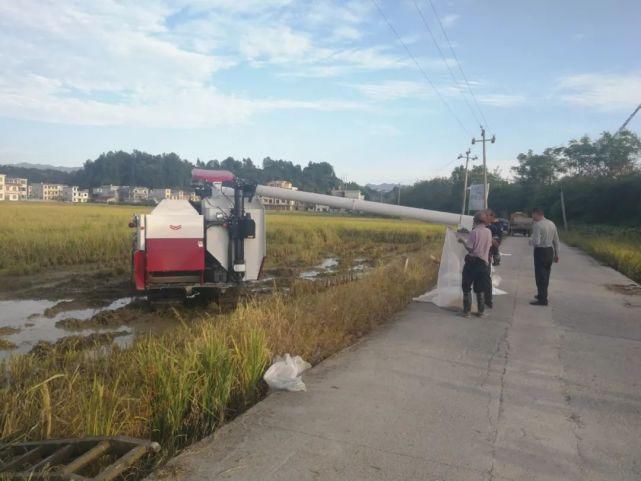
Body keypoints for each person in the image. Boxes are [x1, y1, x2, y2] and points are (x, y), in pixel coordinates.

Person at [458, 211, 493, 317]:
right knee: (480, 288)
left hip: (472, 262)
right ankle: (481, 312)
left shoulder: (474, 232)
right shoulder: (488, 231)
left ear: (475, 221)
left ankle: (466, 311)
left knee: (466, 286)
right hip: (484, 263)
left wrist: (462, 241)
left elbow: (470, 248)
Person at [529, 208, 560, 306]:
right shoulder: (551, 223)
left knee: (540, 276)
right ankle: (542, 294)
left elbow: (536, 242)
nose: (532, 217)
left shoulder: (537, 225)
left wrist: (530, 241)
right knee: (546, 274)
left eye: (532, 215)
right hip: (549, 251)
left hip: (540, 251)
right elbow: (556, 240)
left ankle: (542, 299)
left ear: (536, 214)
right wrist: (557, 254)